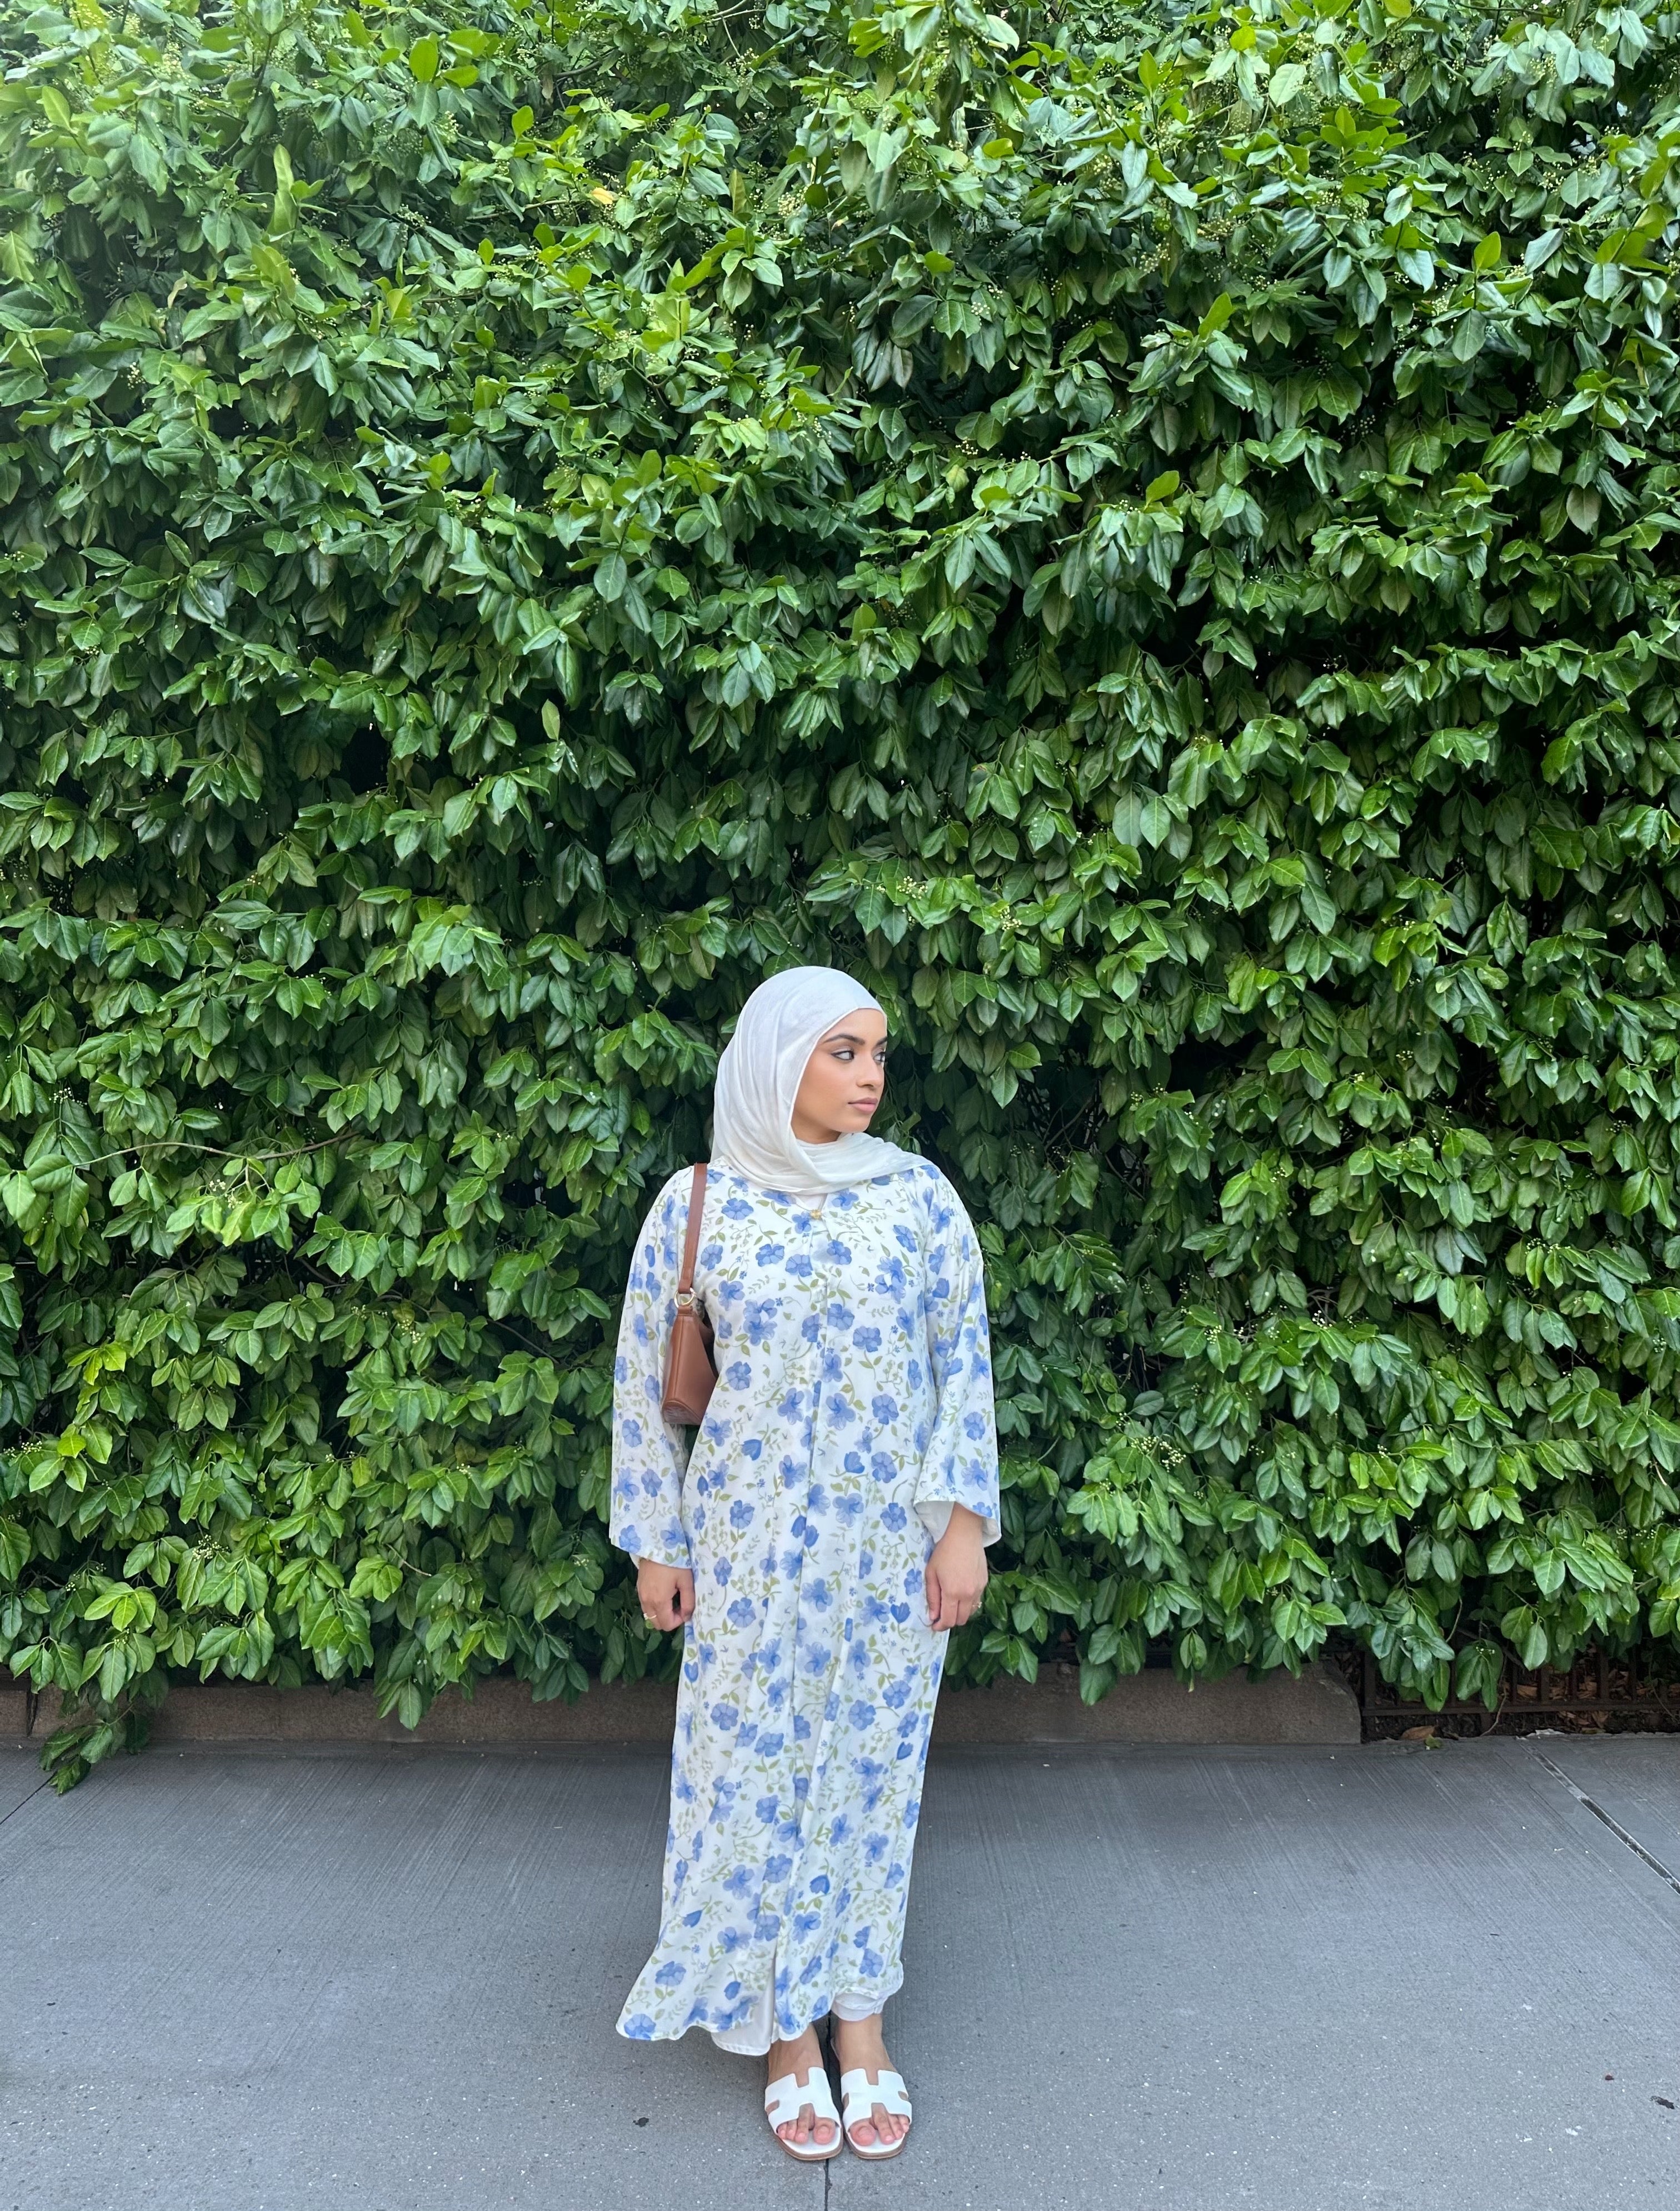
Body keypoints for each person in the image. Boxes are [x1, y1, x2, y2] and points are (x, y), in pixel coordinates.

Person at [608, 964, 1002, 2161]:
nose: (870, 1076)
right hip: (746, 1556)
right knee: (748, 1784)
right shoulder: (700, 1203)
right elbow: (644, 1386)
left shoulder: (918, 1198)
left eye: (878, 1052)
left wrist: (963, 1527)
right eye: (843, 1051)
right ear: (778, 1058)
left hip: (888, 1557)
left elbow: (963, 1365)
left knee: (874, 1780)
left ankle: (860, 2019)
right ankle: (784, 2033)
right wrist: (657, 1542)